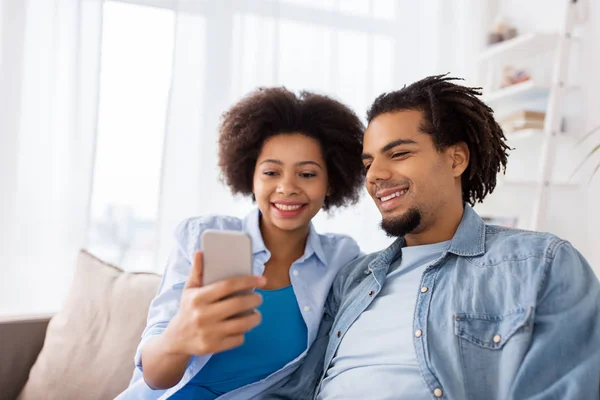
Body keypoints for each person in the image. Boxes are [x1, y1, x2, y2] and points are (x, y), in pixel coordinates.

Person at [263, 75, 600, 400]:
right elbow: (297, 390)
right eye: (369, 163)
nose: (376, 175)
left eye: (398, 154)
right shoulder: (352, 279)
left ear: (456, 159)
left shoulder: (540, 264)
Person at [117, 87, 366, 399]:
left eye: (307, 173)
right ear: (251, 176)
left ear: (330, 183)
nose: (287, 187)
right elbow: (155, 377)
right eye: (271, 172)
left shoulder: (342, 258)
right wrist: (178, 339)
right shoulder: (201, 236)